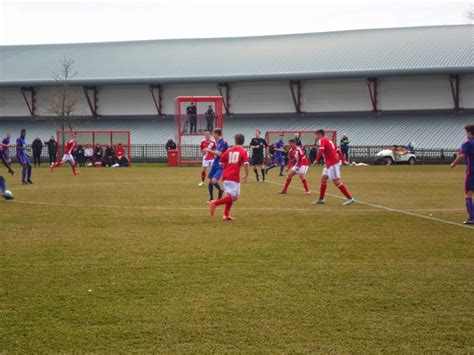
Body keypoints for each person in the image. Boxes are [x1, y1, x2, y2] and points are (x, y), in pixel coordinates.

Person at [210, 134, 249, 221]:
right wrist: (246, 175)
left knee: (229, 196)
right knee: (234, 197)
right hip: (233, 176)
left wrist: (226, 168)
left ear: (235, 141)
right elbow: (246, 164)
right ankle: (215, 203)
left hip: (226, 175)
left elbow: (221, 162)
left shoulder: (229, 150)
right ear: (243, 141)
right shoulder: (243, 151)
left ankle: (226, 215)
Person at [313, 130, 355, 205]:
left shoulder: (322, 140)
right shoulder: (328, 140)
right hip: (328, 164)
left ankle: (350, 198)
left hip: (333, 163)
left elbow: (321, 150)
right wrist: (343, 160)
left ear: (319, 134)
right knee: (323, 179)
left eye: (316, 135)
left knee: (336, 181)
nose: (315, 137)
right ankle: (321, 199)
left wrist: (316, 160)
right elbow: (338, 150)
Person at [450, 124, 474, 225]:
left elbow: (462, 155)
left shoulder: (467, 143)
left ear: (469, 133)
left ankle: (472, 218)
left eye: (466, 132)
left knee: (468, 194)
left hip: (472, 172)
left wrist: (454, 163)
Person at [206, 128, 228, 202]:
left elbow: (219, 153)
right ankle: (211, 198)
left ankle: (220, 190)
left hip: (221, 164)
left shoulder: (223, 142)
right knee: (210, 181)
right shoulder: (217, 141)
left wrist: (209, 150)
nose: (212, 135)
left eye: (213, 134)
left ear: (217, 134)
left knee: (214, 181)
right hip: (215, 163)